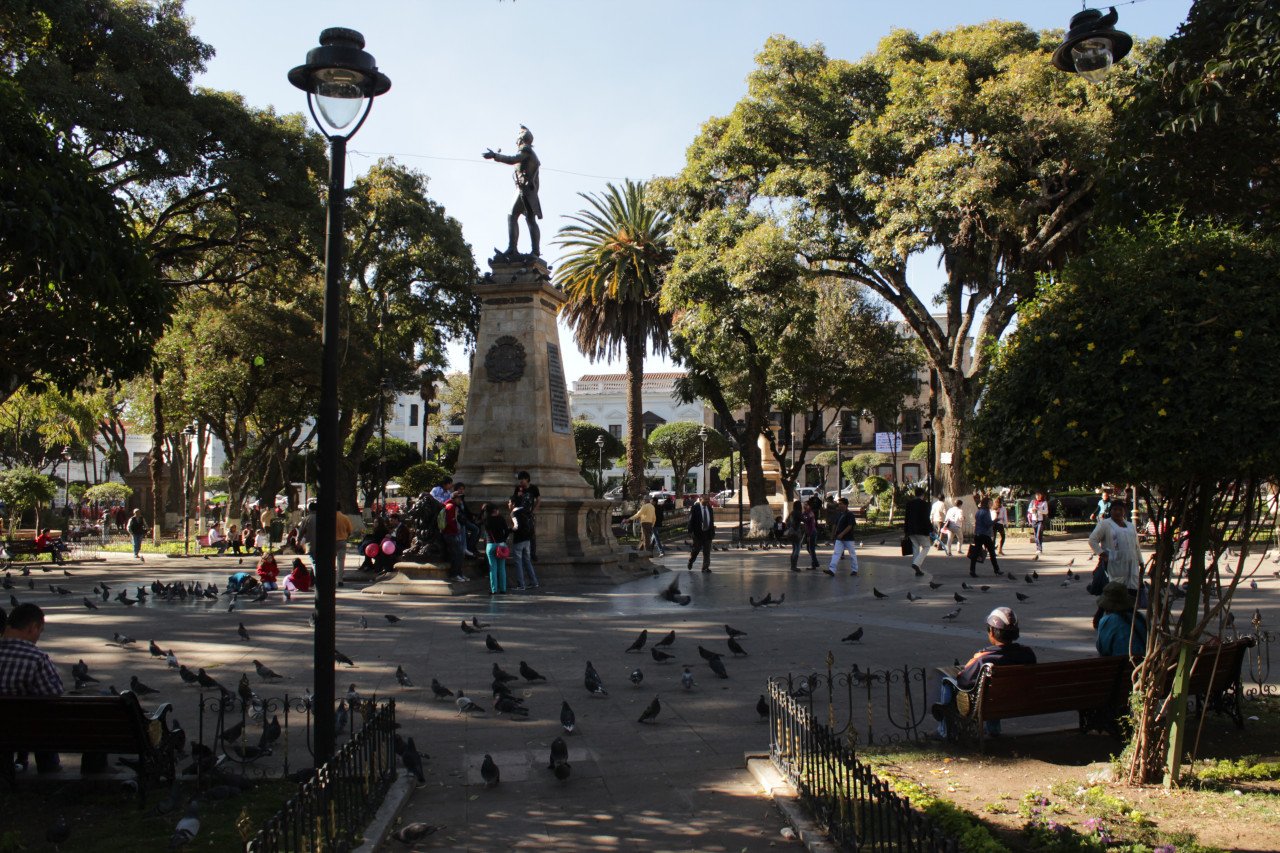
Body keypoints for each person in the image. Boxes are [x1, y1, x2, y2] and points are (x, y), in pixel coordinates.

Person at [932, 607, 1036, 739]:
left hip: (988, 703)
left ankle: (944, 731)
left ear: (991, 632)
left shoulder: (983, 659)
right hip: (1019, 701)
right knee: (995, 691)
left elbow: (963, 681)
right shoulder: (1028, 653)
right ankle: (993, 729)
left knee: (947, 681)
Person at [0, 603, 64, 774]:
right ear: (32, 628)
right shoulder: (36, 658)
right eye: (40, 631)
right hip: (24, 733)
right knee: (43, 715)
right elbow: (55, 696)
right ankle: (48, 765)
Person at [482, 125, 542, 257]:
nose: (516, 142)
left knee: (512, 215)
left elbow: (513, 159)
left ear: (522, 140)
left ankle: (512, 248)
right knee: (530, 219)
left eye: (518, 139)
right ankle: (535, 251)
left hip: (523, 189)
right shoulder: (533, 155)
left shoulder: (525, 150)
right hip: (530, 191)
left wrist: (495, 156)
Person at [1088, 499, 1143, 594]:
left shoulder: (1130, 526)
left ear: (1124, 512)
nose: (1118, 512)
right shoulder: (1105, 524)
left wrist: (1141, 561)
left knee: (1131, 590)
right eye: (1115, 509)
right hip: (1115, 563)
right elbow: (1092, 540)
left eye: (1120, 510)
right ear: (1111, 511)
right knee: (1115, 591)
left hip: (1131, 563)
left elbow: (1136, 545)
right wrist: (1103, 554)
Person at [1094, 582, 1147, 657]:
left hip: (1121, 662)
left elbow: (1103, 649)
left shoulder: (1108, 621)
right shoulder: (1142, 617)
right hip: (1145, 660)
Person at [824, 498, 860, 576]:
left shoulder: (850, 514)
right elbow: (835, 525)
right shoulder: (838, 514)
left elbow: (850, 526)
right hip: (839, 538)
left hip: (848, 538)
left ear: (846, 505)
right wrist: (833, 534)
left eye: (841, 504)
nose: (839, 505)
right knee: (836, 553)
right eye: (839, 504)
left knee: (852, 554)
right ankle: (832, 569)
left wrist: (842, 534)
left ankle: (854, 569)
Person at [509, 499, 539, 590]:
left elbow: (516, 526)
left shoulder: (514, 513)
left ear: (513, 504)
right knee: (527, 560)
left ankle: (521, 584)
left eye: (509, 502)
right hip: (527, 539)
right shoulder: (526, 511)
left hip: (519, 539)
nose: (508, 504)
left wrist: (510, 530)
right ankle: (534, 581)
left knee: (518, 562)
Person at [968, 497, 1002, 577]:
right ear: (986, 504)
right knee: (992, 553)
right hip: (985, 534)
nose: (991, 505)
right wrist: (996, 520)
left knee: (975, 553)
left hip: (977, 534)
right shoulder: (986, 512)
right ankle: (996, 569)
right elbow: (987, 523)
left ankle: (972, 570)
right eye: (990, 503)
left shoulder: (979, 511)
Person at [903, 487, 932, 577]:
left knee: (915, 547)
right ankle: (916, 564)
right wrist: (931, 529)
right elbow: (926, 518)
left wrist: (906, 531)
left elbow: (906, 518)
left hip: (911, 530)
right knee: (926, 546)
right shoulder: (925, 504)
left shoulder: (909, 504)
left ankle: (917, 569)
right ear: (923, 495)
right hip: (922, 530)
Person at [512, 471, 541, 560]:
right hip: (519, 514)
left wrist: (534, 511)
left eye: (522, 479)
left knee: (531, 534)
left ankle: (532, 553)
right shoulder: (518, 488)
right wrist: (518, 496)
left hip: (529, 514)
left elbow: (538, 500)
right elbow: (513, 501)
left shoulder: (533, 488)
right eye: (520, 479)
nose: (521, 481)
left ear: (527, 479)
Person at [482, 504, 510, 595]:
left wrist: (482, 511)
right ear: (495, 510)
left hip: (490, 544)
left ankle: (494, 589)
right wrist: (504, 539)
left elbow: (477, 521)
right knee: (502, 567)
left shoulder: (486, 519)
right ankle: (503, 588)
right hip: (501, 545)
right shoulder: (501, 519)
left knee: (492, 568)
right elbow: (507, 531)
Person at [687, 493, 715, 573]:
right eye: (705, 499)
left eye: (708, 499)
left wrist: (712, 532)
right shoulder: (695, 508)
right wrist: (690, 531)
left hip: (708, 533)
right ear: (700, 500)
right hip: (698, 533)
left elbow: (711, 521)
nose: (707, 501)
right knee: (696, 550)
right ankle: (691, 561)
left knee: (707, 551)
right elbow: (690, 520)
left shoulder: (709, 508)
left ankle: (705, 567)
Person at [443, 494, 467, 583]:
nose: (460, 501)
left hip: (451, 533)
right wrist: (456, 530)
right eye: (459, 499)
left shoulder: (448, 505)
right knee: (458, 554)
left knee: (458, 553)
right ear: (455, 498)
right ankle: (455, 574)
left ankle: (459, 573)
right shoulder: (451, 507)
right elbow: (450, 521)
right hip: (451, 533)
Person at [333, 502, 355, 587]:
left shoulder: (330, 517)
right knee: (341, 561)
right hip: (342, 541)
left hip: (331, 542)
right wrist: (346, 536)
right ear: (340, 508)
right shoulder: (345, 518)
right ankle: (340, 579)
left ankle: (332, 578)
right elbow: (350, 530)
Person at [1027, 490, 1050, 560]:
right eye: (1037, 495)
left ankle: (1039, 548)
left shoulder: (1044, 502)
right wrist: (1033, 509)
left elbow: (1046, 511)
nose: (1038, 496)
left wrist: (1039, 510)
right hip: (1034, 519)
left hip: (1040, 520)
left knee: (1039, 534)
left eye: (1039, 495)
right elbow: (1029, 509)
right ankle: (1037, 547)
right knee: (1036, 534)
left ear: (1041, 496)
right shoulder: (1033, 502)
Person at [786, 501, 805, 572]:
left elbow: (787, 521)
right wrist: (810, 516)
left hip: (791, 532)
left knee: (794, 548)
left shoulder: (792, 513)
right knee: (797, 548)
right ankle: (794, 566)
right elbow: (805, 520)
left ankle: (792, 565)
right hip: (796, 532)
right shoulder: (798, 513)